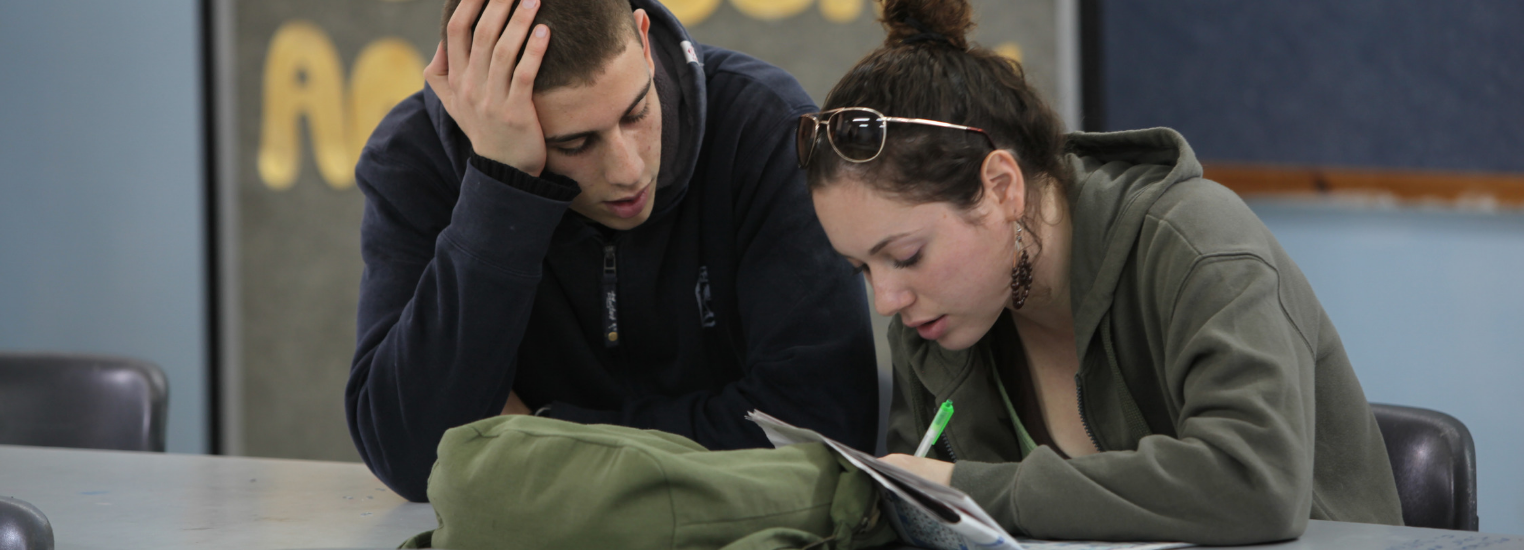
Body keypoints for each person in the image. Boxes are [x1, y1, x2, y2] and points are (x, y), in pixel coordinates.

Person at [801, 0, 1405, 544]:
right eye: (861, 269)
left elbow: (1253, 483)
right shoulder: (934, 321)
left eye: (907, 255)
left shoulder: (1198, 245)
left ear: (1001, 187)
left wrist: (969, 489)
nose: (886, 299)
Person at [346, 0, 879, 503]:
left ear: (644, 41)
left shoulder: (763, 127)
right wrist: (501, 192)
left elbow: (819, 432)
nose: (628, 170)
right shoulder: (415, 160)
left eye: (636, 112)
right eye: (574, 144)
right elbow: (413, 460)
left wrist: (537, 434)